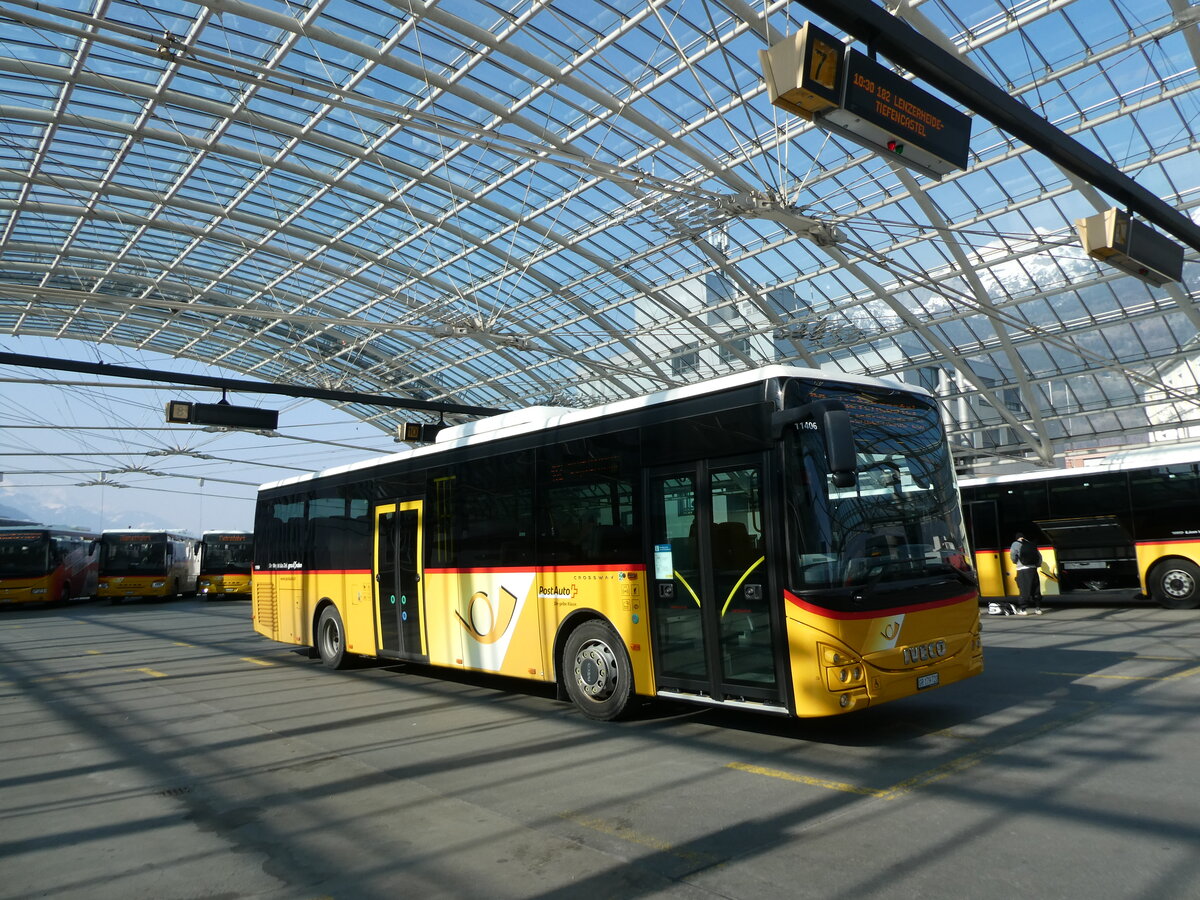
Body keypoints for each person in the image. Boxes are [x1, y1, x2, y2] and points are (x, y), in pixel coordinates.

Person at [1008, 532, 1043, 616]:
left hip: (1023, 569)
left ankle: (1023, 609)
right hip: (1033, 569)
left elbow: (1013, 555)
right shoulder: (1030, 544)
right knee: (1035, 588)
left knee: (1024, 589)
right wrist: (1036, 565)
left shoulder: (1015, 544)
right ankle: (1038, 609)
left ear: (1017, 538)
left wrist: (1015, 561)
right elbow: (1039, 556)